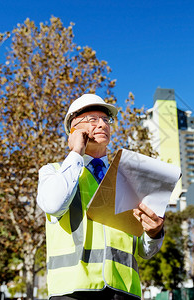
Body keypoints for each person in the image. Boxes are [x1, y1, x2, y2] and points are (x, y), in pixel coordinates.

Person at [37, 94, 165, 300]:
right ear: (74, 129)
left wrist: (154, 232)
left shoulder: (127, 179)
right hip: (73, 292)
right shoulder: (53, 172)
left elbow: (144, 250)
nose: (102, 124)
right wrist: (76, 152)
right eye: (92, 119)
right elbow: (54, 204)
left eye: (106, 120)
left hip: (125, 292)